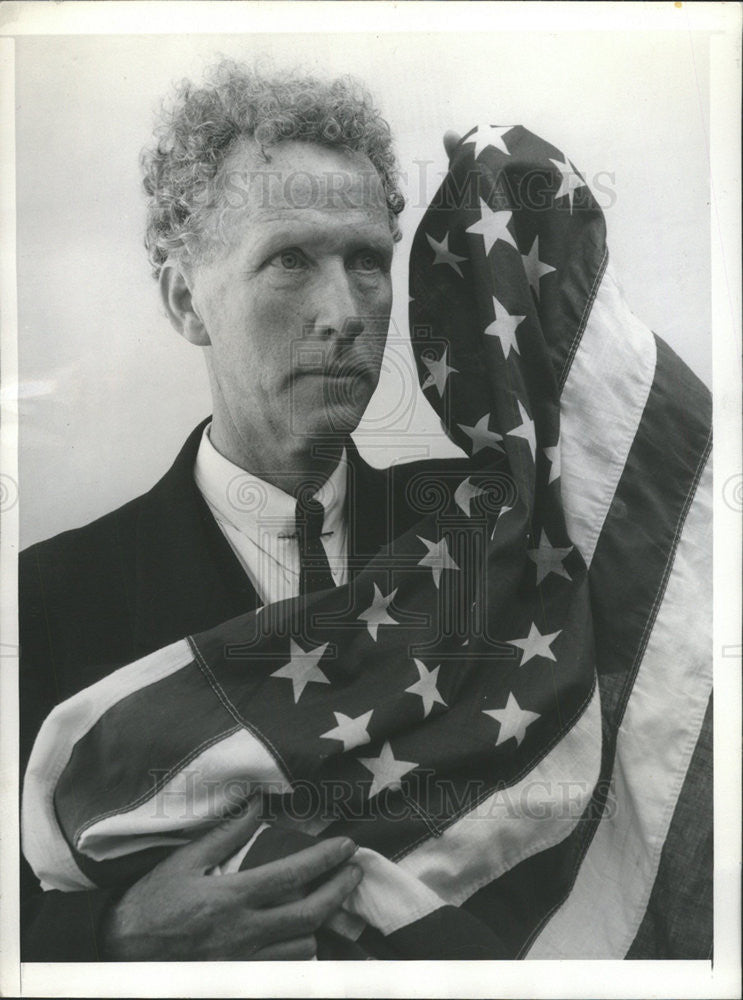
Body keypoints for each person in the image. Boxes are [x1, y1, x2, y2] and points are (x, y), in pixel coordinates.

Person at [19, 61, 468, 961]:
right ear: (186, 299)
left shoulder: (465, 555)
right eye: (290, 260)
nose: (344, 311)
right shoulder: (45, 604)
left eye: (367, 263)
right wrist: (111, 935)